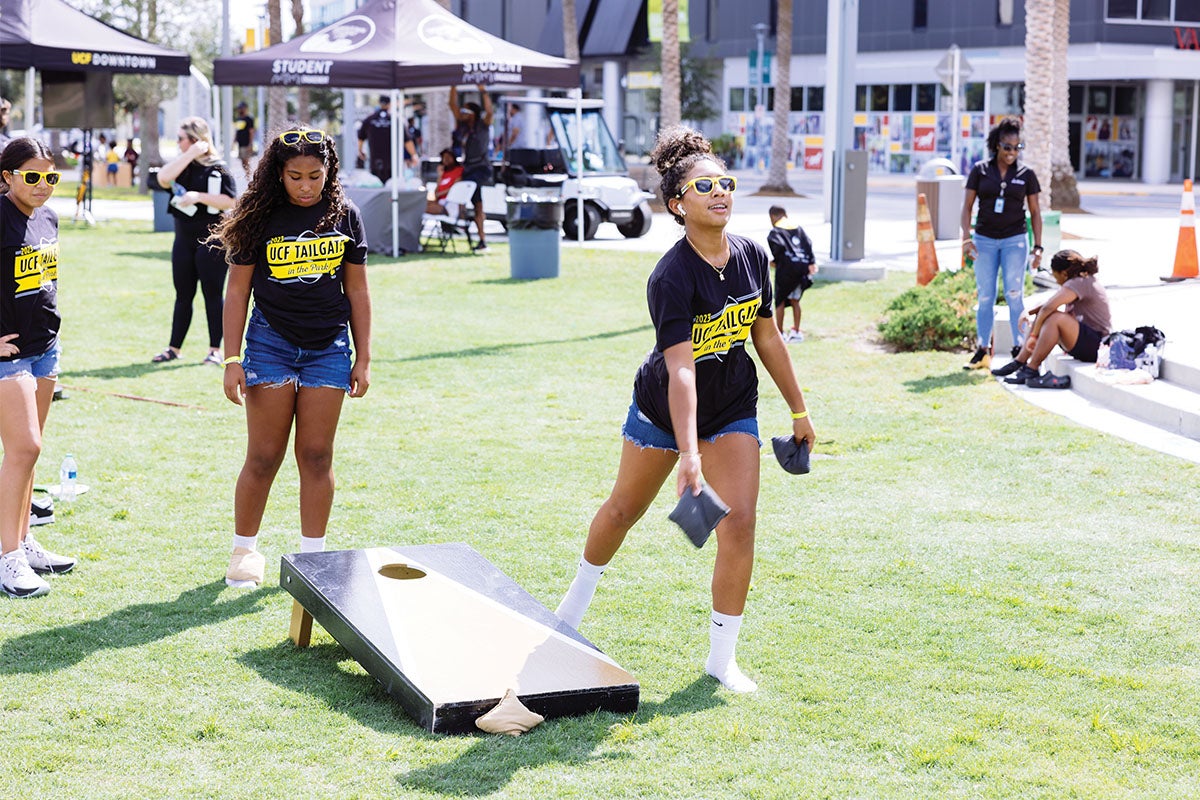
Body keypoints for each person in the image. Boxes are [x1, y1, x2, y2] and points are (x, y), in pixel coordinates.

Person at [553, 126, 816, 693]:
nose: (720, 192)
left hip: (731, 406)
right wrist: (688, 455)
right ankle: (567, 616)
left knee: (740, 521)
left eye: (725, 182)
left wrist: (799, 410)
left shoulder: (750, 255)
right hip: (662, 411)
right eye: (705, 186)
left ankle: (722, 660)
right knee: (624, 510)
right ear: (678, 204)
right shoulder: (670, 276)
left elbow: (766, 337)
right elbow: (680, 368)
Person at [208, 125, 371, 588]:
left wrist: (364, 358)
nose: (305, 186)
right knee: (263, 455)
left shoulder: (346, 215)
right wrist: (231, 358)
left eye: (315, 176)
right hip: (269, 344)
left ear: (329, 172)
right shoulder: (258, 215)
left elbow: (357, 289)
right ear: (278, 173)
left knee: (317, 455)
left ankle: (312, 558)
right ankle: (244, 551)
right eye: (295, 176)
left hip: (329, 348)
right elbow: (236, 291)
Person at [0, 137, 78, 598]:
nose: (43, 185)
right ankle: (7, 558)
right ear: (6, 177)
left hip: (45, 347)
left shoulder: (47, 217)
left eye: (51, 177)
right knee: (25, 448)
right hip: (7, 355)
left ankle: (24, 540)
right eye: (32, 176)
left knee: (30, 451)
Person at [151, 117, 237, 366]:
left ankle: (214, 350)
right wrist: (190, 155)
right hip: (183, 240)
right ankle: (173, 348)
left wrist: (198, 196)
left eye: (181, 139)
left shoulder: (219, 168)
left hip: (212, 241)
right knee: (183, 295)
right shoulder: (182, 165)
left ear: (197, 139)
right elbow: (163, 179)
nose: (178, 143)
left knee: (212, 295)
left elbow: (230, 201)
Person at [961, 116, 1043, 370]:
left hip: (1014, 240)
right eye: (1007, 147)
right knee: (985, 296)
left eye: (1017, 148)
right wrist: (966, 238)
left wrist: (1038, 247)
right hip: (984, 239)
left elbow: (1036, 212)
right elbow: (966, 208)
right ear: (997, 145)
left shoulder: (1026, 174)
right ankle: (983, 350)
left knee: (1014, 294)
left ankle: (1020, 350)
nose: (1012, 152)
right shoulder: (980, 170)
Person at [990, 250, 1111, 388]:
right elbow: (1048, 303)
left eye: (1055, 276)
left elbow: (1048, 308)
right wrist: (1028, 311)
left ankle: (1031, 369)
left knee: (1054, 318)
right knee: (1047, 314)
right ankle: (1020, 362)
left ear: (1064, 274)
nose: (1056, 280)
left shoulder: (1079, 282)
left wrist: (1034, 336)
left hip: (1097, 345)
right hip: (1087, 343)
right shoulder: (1081, 280)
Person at [449, 84, 494, 252]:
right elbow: (452, 106)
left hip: (480, 168)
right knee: (466, 200)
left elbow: (490, 112)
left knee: (477, 204)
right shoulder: (463, 127)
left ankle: (482, 239)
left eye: (467, 111)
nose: (463, 113)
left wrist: (482, 91)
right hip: (468, 168)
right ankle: (465, 227)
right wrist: (453, 86)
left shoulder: (482, 125)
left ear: (473, 113)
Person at [766, 205, 817, 343]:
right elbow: (808, 244)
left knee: (780, 300)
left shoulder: (776, 230)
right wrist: (811, 262)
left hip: (785, 270)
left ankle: (780, 333)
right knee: (795, 300)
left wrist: (776, 261)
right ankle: (796, 332)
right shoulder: (798, 228)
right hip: (801, 269)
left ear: (773, 216)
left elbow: (777, 247)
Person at [356, 95, 416, 185]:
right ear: (390, 104)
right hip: (393, 161)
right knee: (391, 186)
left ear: (379, 103)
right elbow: (407, 140)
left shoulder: (369, 119)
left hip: (375, 160)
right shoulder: (396, 119)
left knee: (376, 185)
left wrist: (360, 151)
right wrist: (414, 155)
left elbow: (361, 138)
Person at [425, 148, 462, 215]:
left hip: (450, 204)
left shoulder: (459, 170)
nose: (446, 159)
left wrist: (439, 194)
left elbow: (455, 188)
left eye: (448, 157)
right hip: (439, 202)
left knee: (423, 208)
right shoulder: (443, 173)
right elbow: (436, 192)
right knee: (420, 204)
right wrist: (440, 176)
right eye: (444, 157)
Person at [234, 101, 256, 182]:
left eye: (241, 108)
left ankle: (249, 177)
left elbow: (251, 131)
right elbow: (238, 130)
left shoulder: (249, 119)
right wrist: (234, 140)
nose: (240, 110)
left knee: (246, 161)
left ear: (245, 108)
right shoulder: (239, 119)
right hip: (240, 143)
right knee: (243, 161)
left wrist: (250, 144)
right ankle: (248, 175)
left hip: (246, 143)